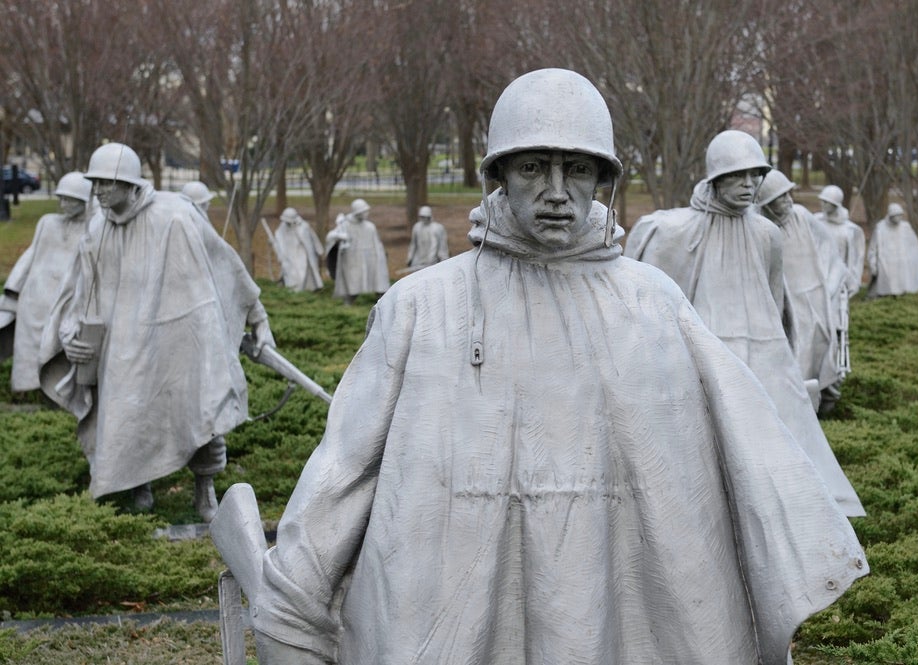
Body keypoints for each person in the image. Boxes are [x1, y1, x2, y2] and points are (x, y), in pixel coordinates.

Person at [246, 69, 867, 665]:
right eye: (532, 167)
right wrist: (294, 596)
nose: (555, 190)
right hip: (451, 600)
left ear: (602, 179)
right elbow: (345, 468)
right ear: (499, 176)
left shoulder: (652, 304)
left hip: (608, 596)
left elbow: (741, 460)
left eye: (576, 169)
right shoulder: (421, 308)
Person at [624, 131, 863, 516]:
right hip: (712, 346)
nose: (749, 186)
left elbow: (776, 300)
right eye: (738, 176)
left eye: (755, 176)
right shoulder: (681, 230)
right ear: (715, 179)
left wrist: (785, 354)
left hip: (765, 351)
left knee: (778, 443)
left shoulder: (767, 233)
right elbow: (653, 298)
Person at [38, 143, 275, 522]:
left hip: (181, 337)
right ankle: (138, 486)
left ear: (131, 185)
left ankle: (204, 489)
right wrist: (70, 335)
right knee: (126, 414)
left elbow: (224, 264)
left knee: (201, 412)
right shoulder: (97, 228)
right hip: (122, 347)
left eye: (107, 182)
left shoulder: (176, 215)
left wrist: (258, 318)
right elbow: (78, 291)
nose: (97, 191)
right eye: (95, 182)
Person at [756, 168, 844, 411]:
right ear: (766, 203)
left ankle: (828, 401)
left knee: (825, 351)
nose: (788, 201)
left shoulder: (803, 216)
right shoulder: (760, 228)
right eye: (780, 198)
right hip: (788, 305)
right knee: (798, 355)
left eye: (788, 194)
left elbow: (828, 249)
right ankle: (802, 409)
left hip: (816, 297)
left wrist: (831, 286)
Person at [0, 172, 92, 392]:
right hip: (35, 295)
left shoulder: (93, 229)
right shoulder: (47, 222)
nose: (64, 203)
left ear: (84, 200)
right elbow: (30, 256)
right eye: (61, 198)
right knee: (28, 346)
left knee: (60, 346)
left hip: (64, 298)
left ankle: (58, 392)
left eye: (70, 199)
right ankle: (26, 388)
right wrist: (13, 290)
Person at [325, 198, 389, 304]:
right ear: (358, 213)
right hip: (352, 259)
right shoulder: (345, 224)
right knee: (353, 282)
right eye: (364, 211)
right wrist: (339, 236)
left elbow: (377, 245)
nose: (367, 213)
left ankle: (381, 300)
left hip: (369, 257)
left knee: (376, 279)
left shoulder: (370, 226)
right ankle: (349, 300)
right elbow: (330, 237)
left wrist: (379, 259)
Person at [866, 202, 918, 297]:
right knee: (887, 286)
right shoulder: (880, 227)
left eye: (900, 215)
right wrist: (873, 264)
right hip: (886, 264)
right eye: (896, 216)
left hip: (902, 263)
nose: (898, 218)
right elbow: (873, 248)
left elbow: (913, 244)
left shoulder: (905, 227)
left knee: (903, 285)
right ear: (890, 216)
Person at [815, 184, 865, 295]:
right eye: (822, 201)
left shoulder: (849, 230)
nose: (822, 204)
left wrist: (853, 281)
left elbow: (855, 259)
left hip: (838, 278)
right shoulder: (816, 222)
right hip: (817, 275)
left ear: (835, 204)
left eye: (826, 202)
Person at [273, 207, 325, 292]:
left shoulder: (303, 227)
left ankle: (302, 292)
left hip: (301, 253)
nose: (286, 223)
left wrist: (318, 251)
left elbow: (311, 241)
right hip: (289, 254)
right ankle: (292, 291)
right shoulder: (283, 225)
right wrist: (276, 243)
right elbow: (279, 236)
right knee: (289, 273)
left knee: (301, 274)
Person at [406, 204, 449, 270]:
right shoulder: (417, 227)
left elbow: (441, 245)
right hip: (419, 261)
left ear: (429, 216)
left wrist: (444, 259)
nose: (423, 219)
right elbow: (413, 244)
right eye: (422, 217)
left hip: (433, 262)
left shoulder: (436, 228)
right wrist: (410, 258)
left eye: (425, 217)